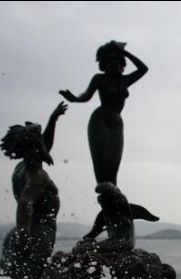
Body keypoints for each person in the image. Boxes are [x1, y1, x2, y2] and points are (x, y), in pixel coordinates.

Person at [0, 102, 67, 279]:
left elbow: (44, 145)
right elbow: (25, 202)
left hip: (21, 232)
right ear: (35, 146)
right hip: (37, 232)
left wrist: (54, 118)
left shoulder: (22, 167)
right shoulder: (37, 175)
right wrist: (24, 233)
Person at [59, 41, 148, 185]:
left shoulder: (125, 80)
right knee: (102, 165)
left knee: (113, 167)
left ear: (120, 61)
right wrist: (75, 99)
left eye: (114, 59)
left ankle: (113, 197)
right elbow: (87, 96)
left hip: (117, 123)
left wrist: (124, 52)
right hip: (100, 121)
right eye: (108, 61)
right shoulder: (99, 79)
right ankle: (104, 194)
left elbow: (143, 69)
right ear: (103, 65)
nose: (112, 63)